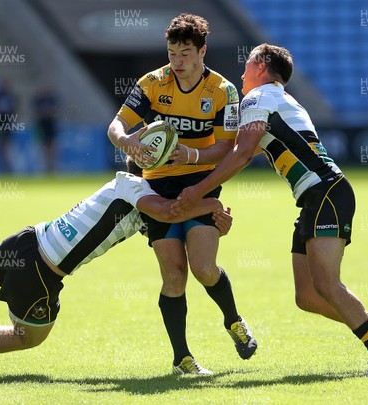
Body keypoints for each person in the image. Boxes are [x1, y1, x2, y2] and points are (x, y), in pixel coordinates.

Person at [173, 43, 368, 376]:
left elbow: (240, 154)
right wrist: (193, 157)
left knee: (327, 284)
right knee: (308, 296)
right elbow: (242, 150)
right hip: (318, 197)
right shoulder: (279, 99)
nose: (242, 73)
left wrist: (198, 190)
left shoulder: (258, 98)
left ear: (262, 66)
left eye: (247, 65)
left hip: (325, 192)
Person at [0, 160, 233, 365]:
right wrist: (214, 205)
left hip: (28, 239)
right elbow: (171, 212)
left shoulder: (124, 188)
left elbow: (169, 226)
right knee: (26, 337)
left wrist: (215, 223)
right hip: (43, 272)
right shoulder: (138, 190)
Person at [107, 13, 256, 375]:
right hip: (156, 188)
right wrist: (127, 141)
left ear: (202, 51)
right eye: (172, 53)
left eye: (185, 53)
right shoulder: (153, 83)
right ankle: (182, 359)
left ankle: (233, 321)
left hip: (199, 185)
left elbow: (227, 148)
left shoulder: (222, 91)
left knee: (204, 268)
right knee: (173, 276)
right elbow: (116, 125)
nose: (177, 61)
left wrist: (191, 155)